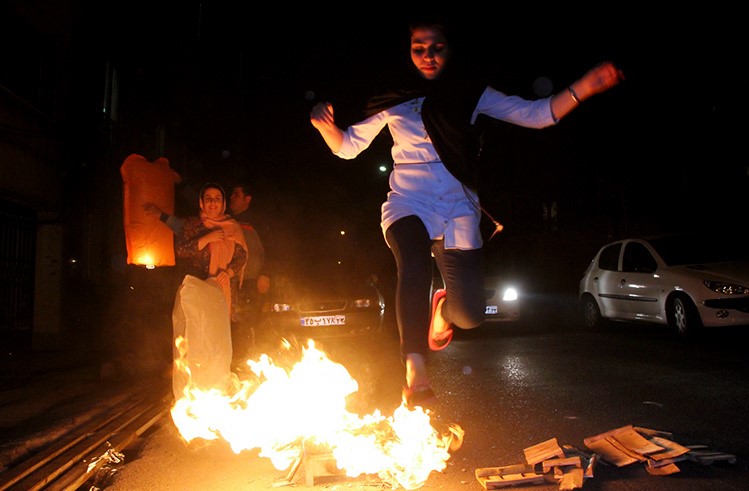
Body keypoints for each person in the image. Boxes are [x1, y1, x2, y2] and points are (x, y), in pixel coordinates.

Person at [309, 16, 624, 409]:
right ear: (409, 52)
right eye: (419, 48)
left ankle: (443, 307)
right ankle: (415, 369)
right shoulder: (395, 97)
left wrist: (586, 86)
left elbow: (537, 114)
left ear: (450, 49)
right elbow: (347, 146)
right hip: (409, 200)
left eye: (436, 47)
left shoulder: (471, 92)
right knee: (413, 264)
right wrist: (324, 126)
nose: (427, 55)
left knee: (471, 315)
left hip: (458, 205)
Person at [173, 182, 249, 321]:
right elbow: (181, 251)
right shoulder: (193, 224)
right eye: (208, 198)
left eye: (217, 198)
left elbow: (241, 256)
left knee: (220, 328)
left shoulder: (232, 226)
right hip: (197, 289)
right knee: (199, 327)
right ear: (201, 203)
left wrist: (228, 273)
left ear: (223, 203)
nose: (213, 202)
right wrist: (206, 239)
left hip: (223, 291)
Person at [227, 182, 271, 359]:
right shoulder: (227, 220)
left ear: (247, 198)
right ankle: (238, 360)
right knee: (234, 323)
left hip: (253, 281)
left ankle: (254, 358)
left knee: (251, 321)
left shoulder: (257, 221)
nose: (231, 197)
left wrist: (265, 273)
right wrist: (181, 184)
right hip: (231, 281)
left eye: (236, 194)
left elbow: (272, 248)